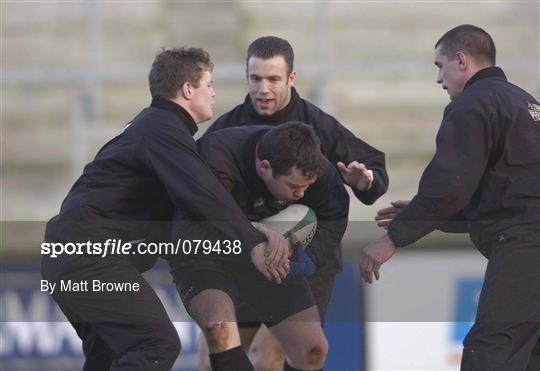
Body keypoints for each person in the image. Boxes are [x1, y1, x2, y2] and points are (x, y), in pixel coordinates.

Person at [42, 47, 286, 371]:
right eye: (209, 85)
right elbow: (203, 197)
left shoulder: (151, 127)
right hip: (90, 255)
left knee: (112, 356)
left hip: (70, 253)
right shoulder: (163, 130)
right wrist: (252, 241)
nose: (213, 93)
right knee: (155, 344)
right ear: (188, 89)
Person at [200, 35, 389, 370]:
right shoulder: (226, 132)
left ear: (291, 78)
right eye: (255, 78)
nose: (263, 89)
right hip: (245, 253)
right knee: (215, 354)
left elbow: (371, 167)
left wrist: (366, 180)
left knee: (271, 355)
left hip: (307, 259)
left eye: (273, 79)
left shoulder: (318, 127)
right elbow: (201, 200)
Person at [360, 25, 540, 370]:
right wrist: (431, 214)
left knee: (490, 350)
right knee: (529, 354)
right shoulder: (526, 103)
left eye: (439, 66)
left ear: (461, 61)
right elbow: (504, 197)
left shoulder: (473, 103)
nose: (439, 79)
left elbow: (449, 187)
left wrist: (393, 239)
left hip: (527, 246)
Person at [168, 122, 348, 371]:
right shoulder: (216, 156)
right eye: (294, 187)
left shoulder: (316, 170)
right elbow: (195, 223)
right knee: (220, 334)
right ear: (264, 167)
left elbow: (334, 216)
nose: (301, 195)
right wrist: (252, 231)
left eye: (307, 187)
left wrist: (310, 256)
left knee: (312, 351)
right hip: (206, 254)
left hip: (270, 253)